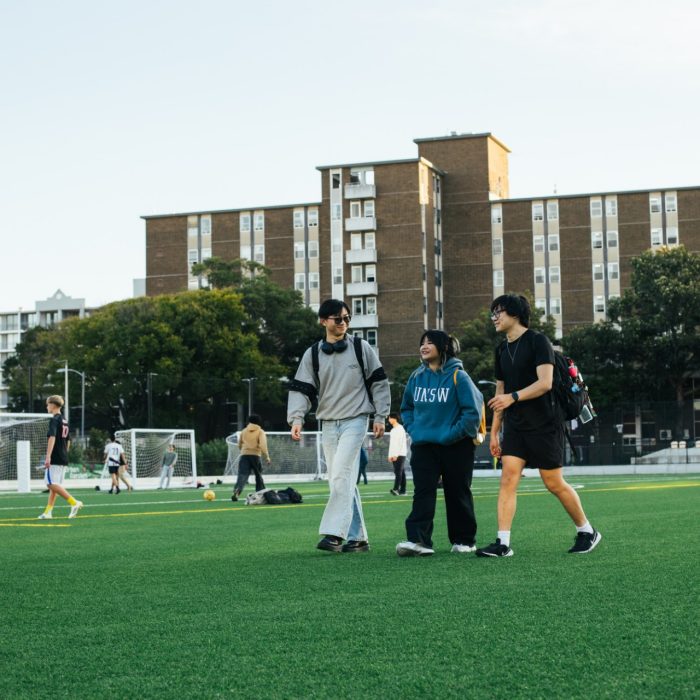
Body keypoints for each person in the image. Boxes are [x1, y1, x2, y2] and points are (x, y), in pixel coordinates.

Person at [476, 294, 602, 557]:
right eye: (493, 313)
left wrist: (513, 397)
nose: (494, 318)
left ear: (516, 314)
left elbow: (544, 383)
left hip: (545, 422)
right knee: (508, 479)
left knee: (553, 482)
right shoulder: (501, 349)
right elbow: (500, 394)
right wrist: (495, 432)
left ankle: (587, 530)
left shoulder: (538, 341)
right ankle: (502, 543)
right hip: (517, 426)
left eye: (499, 312)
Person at [288, 298, 390, 554]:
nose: (343, 323)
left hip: (356, 420)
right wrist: (297, 418)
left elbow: (379, 382)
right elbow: (302, 389)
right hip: (328, 424)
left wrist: (380, 416)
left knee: (340, 475)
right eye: (338, 319)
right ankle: (359, 539)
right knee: (340, 480)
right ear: (324, 321)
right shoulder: (312, 354)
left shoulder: (361, 347)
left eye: (347, 318)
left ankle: (333, 534)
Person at [397, 331, 483, 556]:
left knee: (458, 492)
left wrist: (449, 435)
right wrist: (414, 430)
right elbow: (406, 408)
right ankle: (418, 540)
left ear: (444, 347)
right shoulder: (416, 377)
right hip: (424, 445)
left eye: (430, 342)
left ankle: (464, 540)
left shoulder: (459, 377)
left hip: (457, 445)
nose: (424, 346)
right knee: (423, 492)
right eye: (422, 342)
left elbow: (472, 413)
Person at [38, 395, 83, 519]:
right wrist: (64, 453)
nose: (47, 407)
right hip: (63, 456)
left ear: (53, 405)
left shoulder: (54, 419)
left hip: (55, 456)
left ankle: (74, 502)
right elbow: (68, 440)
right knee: (55, 487)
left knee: (50, 484)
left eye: (48, 404)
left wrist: (48, 457)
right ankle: (48, 512)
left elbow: (52, 437)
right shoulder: (64, 420)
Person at [231, 414, 270, 501]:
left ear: (249, 421)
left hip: (244, 455)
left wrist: (243, 451)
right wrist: (267, 456)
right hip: (255, 456)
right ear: (259, 422)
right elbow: (263, 445)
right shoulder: (260, 431)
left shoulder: (244, 431)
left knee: (242, 475)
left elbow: (240, 444)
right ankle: (260, 493)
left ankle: (237, 491)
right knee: (258, 475)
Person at [387, 413, 408, 495]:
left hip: (400, 454)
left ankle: (396, 489)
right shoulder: (392, 430)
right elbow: (392, 445)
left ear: (394, 419)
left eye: (389, 418)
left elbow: (400, 443)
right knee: (401, 472)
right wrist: (390, 455)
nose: (389, 420)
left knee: (398, 472)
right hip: (394, 454)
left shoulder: (400, 429)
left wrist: (396, 455)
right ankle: (403, 490)